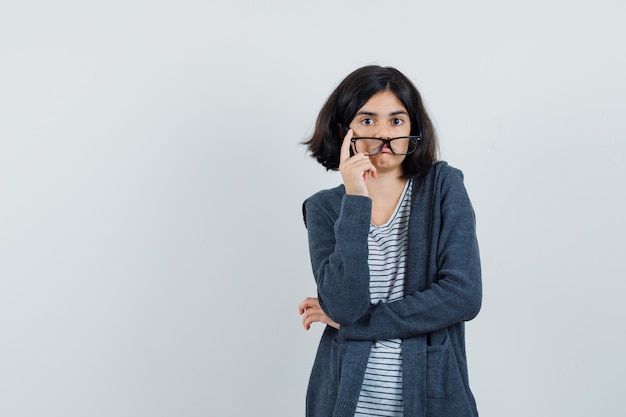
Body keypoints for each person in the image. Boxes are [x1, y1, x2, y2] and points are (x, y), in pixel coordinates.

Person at [297, 65, 482, 417]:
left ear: (413, 127)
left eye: (396, 121)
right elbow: (345, 305)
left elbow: (463, 296)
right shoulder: (324, 208)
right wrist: (355, 201)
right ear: (343, 131)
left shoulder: (443, 187)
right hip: (345, 402)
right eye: (367, 121)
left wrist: (359, 324)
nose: (384, 133)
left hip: (433, 399)